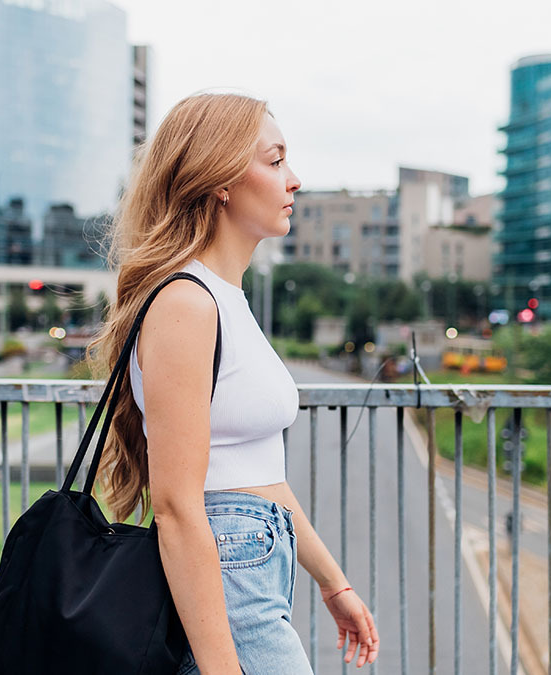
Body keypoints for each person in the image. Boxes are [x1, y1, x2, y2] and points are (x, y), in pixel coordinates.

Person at [89, 92, 380, 674]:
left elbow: (255, 474)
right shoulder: (185, 302)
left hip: (250, 565)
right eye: (274, 162)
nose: (293, 180)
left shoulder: (225, 298)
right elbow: (177, 506)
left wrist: (332, 582)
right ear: (220, 179)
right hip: (229, 576)